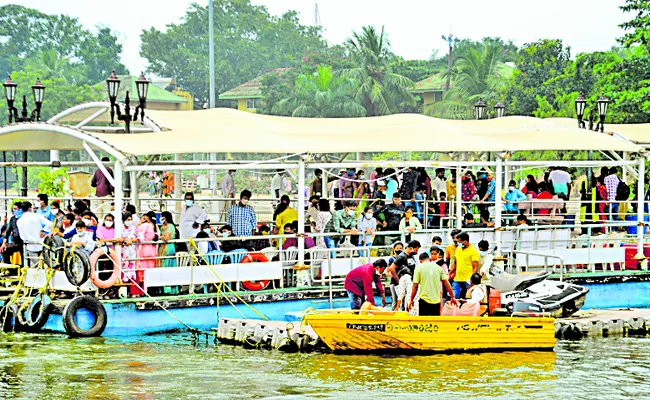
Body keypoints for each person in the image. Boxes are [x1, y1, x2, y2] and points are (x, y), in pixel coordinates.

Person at [134, 211, 158, 295]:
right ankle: (150, 289)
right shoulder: (156, 227)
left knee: (143, 271)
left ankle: (143, 290)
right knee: (151, 269)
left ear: (147, 217)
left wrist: (140, 222)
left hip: (144, 250)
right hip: (152, 250)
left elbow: (136, 231)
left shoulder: (145, 225)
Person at [451, 232, 479, 300]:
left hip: (467, 280)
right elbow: (455, 263)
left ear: (465, 242)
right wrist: (450, 272)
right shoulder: (458, 249)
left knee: (466, 299)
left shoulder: (473, 251)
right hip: (457, 279)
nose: (458, 244)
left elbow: (475, 267)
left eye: (459, 242)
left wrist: (472, 280)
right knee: (454, 298)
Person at [120, 212, 139, 287]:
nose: (129, 221)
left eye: (131, 219)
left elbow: (141, 237)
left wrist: (132, 240)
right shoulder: (120, 228)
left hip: (131, 251)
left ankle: (131, 287)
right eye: (128, 219)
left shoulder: (134, 228)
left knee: (131, 267)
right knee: (122, 267)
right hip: (122, 251)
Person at [387, 241, 404, 310]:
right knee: (394, 300)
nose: (399, 250)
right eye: (397, 248)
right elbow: (387, 272)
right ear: (394, 249)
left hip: (402, 283)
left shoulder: (404, 258)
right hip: (394, 283)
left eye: (400, 248)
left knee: (402, 300)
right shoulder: (391, 259)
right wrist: (394, 276)